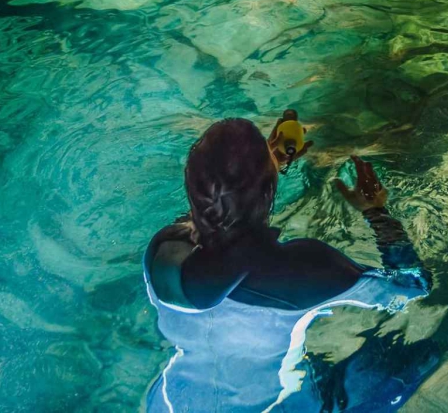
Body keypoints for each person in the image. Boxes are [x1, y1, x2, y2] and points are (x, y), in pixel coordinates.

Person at [144, 118, 429, 412]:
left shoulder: (163, 250)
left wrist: (268, 167)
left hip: (169, 403)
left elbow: (213, 218)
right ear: (268, 190)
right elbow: (412, 286)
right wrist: (377, 213)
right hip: (277, 405)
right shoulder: (305, 267)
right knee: (421, 357)